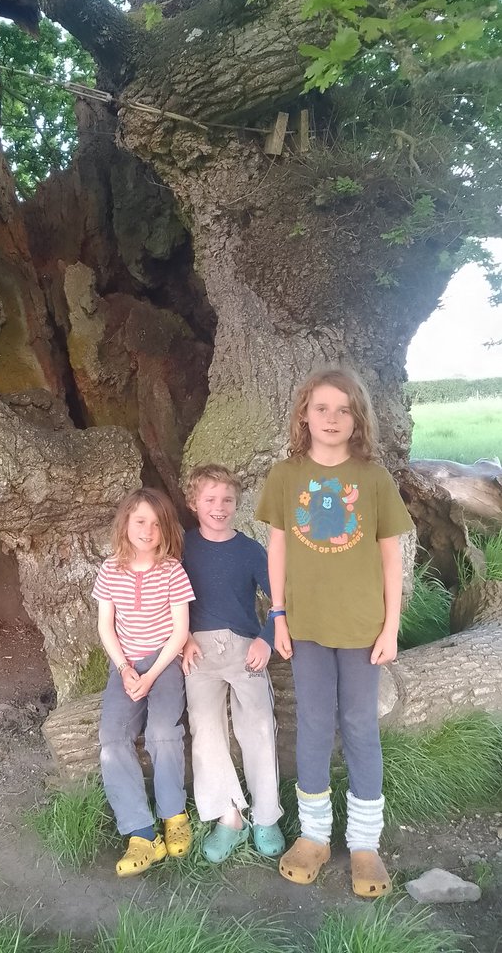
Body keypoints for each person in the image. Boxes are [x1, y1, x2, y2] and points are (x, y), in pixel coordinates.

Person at [256, 367, 413, 898]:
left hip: (363, 627)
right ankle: (316, 835)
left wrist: (392, 626)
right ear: (304, 413)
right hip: (304, 627)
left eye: (343, 409)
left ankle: (366, 843)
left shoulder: (373, 479)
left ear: (357, 419)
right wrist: (276, 615)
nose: (331, 418)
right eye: (321, 408)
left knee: (360, 727)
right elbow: (276, 548)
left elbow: (391, 559)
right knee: (315, 723)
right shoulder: (285, 475)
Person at [181, 464, 285, 863]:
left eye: (227, 500)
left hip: (245, 648)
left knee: (258, 724)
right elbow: (170, 600)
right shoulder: (183, 547)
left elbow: (280, 602)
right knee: (205, 729)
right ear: (194, 504)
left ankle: (266, 814)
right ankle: (229, 817)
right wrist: (183, 638)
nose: (219, 507)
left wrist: (266, 639)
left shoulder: (250, 550)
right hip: (198, 652)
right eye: (210, 499)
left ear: (237, 504)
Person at [93, 486, 195, 877]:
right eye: (140, 521)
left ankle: (174, 814)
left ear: (165, 529)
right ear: (126, 524)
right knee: (112, 736)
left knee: (163, 732)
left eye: (155, 523)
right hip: (126, 665)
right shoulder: (110, 570)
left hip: (164, 661)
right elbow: (105, 626)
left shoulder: (172, 570)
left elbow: (180, 629)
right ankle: (141, 833)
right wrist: (124, 669)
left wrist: (152, 674)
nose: (147, 530)